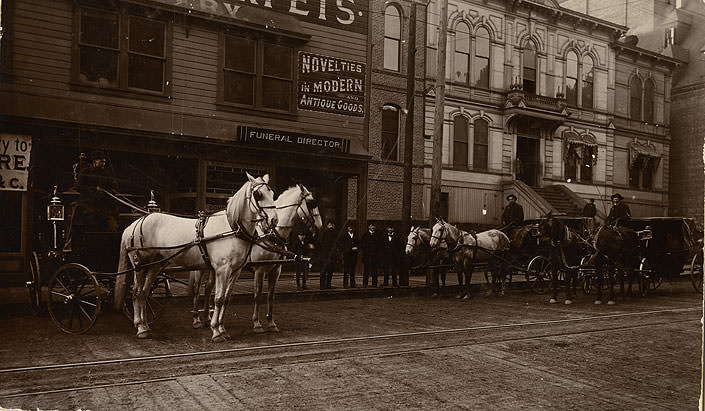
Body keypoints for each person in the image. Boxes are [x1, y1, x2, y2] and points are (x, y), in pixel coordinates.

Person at [78, 149, 119, 232]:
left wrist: (111, 191)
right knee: (92, 220)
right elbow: (80, 187)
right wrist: (95, 189)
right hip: (89, 202)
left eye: (104, 162)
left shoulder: (106, 174)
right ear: (94, 161)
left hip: (104, 203)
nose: (103, 163)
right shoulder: (86, 172)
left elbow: (111, 186)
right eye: (101, 161)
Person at [317, 220, 340, 289]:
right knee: (323, 271)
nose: (331, 226)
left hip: (332, 255)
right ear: (327, 225)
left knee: (330, 271)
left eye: (332, 225)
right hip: (324, 255)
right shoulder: (323, 233)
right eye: (330, 225)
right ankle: (322, 285)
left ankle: (328, 284)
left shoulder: (335, 233)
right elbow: (319, 244)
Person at [360, 223, 380, 288]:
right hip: (367, 256)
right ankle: (365, 284)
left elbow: (379, 246)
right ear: (369, 227)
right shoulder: (365, 235)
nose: (373, 227)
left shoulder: (378, 235)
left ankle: (374, 284)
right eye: (371, 226)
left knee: (374, 271)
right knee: (366, 271)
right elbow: (362, 245)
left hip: (375, 256)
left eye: (374, 226)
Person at [340, 223, 359, 288]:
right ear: (347, 228)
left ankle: (352, 284)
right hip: (347, 255)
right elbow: (342, 245)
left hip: (354, 255)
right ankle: (345, 284)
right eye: (350, 227)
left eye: (352, 227)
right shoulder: (344, 236)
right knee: (346, 270)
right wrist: (350, 248)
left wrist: (357, 248)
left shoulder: (356, 235)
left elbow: (359, 244)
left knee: (352, 270)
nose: (351, 228)